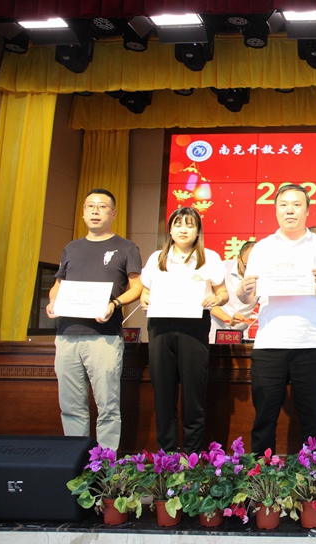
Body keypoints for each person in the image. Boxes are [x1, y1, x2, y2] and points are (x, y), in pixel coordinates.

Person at [237, 184, 316, 454]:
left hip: (310, 343)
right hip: (269, 343)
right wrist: (243, 290)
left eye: (297, 205)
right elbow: (246, 298)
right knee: (264, 418)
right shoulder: (262, 248)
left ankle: (313, 475)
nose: (290, 210)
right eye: (284, 205)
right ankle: (261, 473)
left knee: (312, 419)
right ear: (275, 210)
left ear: (307, 211)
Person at [46, 189, 143, 451]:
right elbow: (58, 285)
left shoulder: (126, 247)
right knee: (70, 406)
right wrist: (53, 302)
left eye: (102, 206)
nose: (95, 211)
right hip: (67, 334)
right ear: (83, 212)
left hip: (104, 336)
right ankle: (75, 459)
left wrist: (114, 304)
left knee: (108, 406)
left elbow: (137, 287)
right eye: (90, 206)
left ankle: (104, 466)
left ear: (113, 213)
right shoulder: (72, 247)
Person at [140, 207, 228, 453]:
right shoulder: (157, 257)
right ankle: (167, 456)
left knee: (194, 394)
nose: (183, 230)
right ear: (170, 230)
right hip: (160, 327)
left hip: (194, 327)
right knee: (163, 394)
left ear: (198, 231)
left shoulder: (209, 257)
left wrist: (216, 299)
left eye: (190, 225)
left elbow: (223, 293)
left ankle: (192, 455)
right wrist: (144, 300)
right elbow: (145, 291)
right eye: (178, 224)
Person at [208, 240, 257, 343]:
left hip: (242, 330)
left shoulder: (263, 275)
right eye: (246, 266)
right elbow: (208, 301)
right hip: (217, 325)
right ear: (238, 258)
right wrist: (229, 319)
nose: (250, 270)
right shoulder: (221, 268)